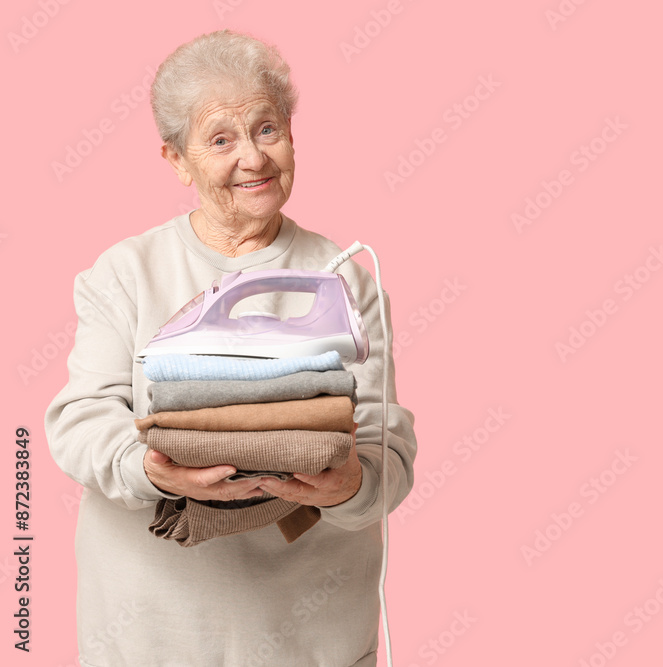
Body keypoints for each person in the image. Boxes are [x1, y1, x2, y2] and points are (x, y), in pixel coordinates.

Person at [44, 30, 417, 667]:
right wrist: (148, 470)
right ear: (176, 159)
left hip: (312, 637)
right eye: (221, 139)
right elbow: (80, 421)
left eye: (268, 129)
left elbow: (386, 443)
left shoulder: (346, 274)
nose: (253, 158)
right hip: (152, 633)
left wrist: (350, 483)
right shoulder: (124, 273)